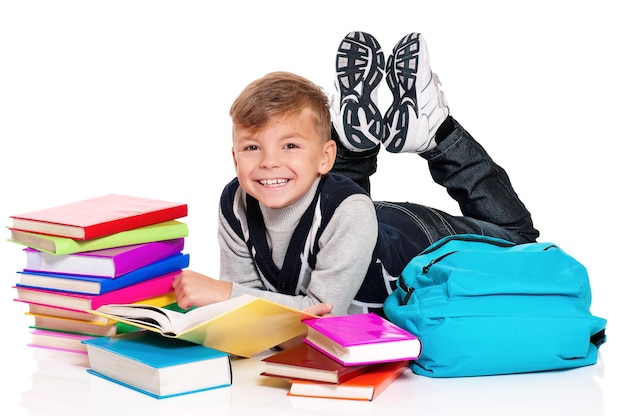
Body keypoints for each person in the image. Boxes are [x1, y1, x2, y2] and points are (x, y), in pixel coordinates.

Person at [172, 31, 539, 317]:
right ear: (234, 157)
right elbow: (250, 303)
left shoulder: (349, 213)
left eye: (289, 146)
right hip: (353, 223)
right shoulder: (234, 201)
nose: (268, 162)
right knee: (330, 206)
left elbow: (324, 316)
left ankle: (435, 131)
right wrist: (232, 303)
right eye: (253, 148)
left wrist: (222, 295)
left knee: (523, 242)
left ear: (324, 156)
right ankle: (353, 143)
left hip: (418, 236)